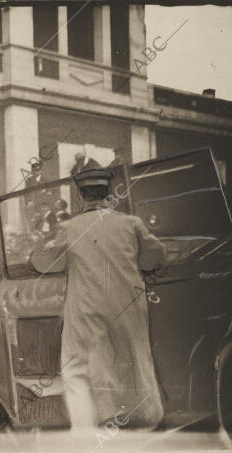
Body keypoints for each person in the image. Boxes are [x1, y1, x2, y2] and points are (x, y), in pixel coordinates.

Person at [44, 168, 166, 429]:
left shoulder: (68, 227)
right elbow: (156, 258)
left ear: (80, 195)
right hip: (128, 305)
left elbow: (44, 263)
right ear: (109, 192)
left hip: (85, 307)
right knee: (135, 358)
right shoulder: (131, 223)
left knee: (77, 366)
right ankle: (146, 423)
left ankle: (86, 433)